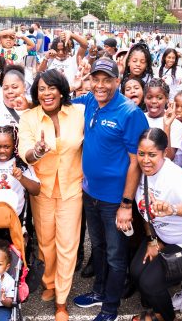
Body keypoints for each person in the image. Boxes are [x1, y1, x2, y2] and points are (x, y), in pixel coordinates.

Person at [71, 58, 148, 321]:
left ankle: (110, 308)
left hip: (115, 201)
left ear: (118, 81)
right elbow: (64, 103)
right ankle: (99, 292)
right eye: (96, 79)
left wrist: (126, 204)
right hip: (90, 193)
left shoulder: (130, 113)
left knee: (116, 256)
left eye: (107, 79)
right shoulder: (90, 101)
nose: (101, 85)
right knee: (99, 249)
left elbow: (135, 162)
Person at [19, 70, 85, 321]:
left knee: (68, 244)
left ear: (61, 90)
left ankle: (61, 300)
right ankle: (49, 282)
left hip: (72, 187)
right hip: (42, 189)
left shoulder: (77, 113)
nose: (47, 93)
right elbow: (26, 152)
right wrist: (37, 151)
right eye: (41, 89)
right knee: (46, 241)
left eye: (52, 88)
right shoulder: (28, 117)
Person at [130, 128, 182, 321]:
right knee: (135, 272)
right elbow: (145, 212)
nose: (145, 160)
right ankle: (156, 308)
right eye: (141, 154)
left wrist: (173, 209)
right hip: (162, 238)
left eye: (152, 155)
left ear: (164, 153)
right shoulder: (140, 173)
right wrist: (152, 241)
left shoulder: (174, 176)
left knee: (149, 283)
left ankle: (166, 316)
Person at [0, 126, 40, 215]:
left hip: (14, 217)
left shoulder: (21, 163)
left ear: (14, 145)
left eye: (7, 147)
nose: (2, 150)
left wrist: (21, 178)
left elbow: (36, 190)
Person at [143, 79, 182, 160]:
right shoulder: (139, 118)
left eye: (159, 98)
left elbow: (169, 157)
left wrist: (167, 126)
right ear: (144, 99)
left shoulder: (176, 124)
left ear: (167, 99)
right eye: (149, 97)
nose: (154, 101)